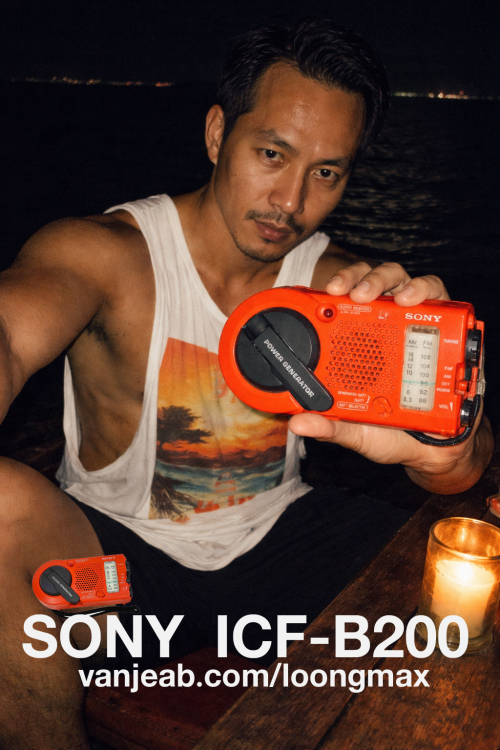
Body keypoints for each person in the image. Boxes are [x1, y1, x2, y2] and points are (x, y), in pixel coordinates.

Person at [0, 17, 493, 750]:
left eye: (326, 173)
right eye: (272, 154)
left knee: (470, 556)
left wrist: (446, 447)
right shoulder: (106, 253)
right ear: (216, 135)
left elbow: (465, 471)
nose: (290, 202)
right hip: (121, 567)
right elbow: (10, 333)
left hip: (281, 544)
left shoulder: (341, 293)